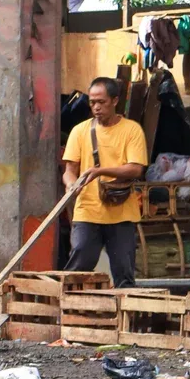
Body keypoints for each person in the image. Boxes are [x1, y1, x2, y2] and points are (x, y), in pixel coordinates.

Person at [62, 76, 148, 289]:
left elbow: (136, 168)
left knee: (124, 273)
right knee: (78, 268)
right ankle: (71, 313)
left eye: (102, 102)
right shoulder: (79, 131)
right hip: (87, 212)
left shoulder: (132, 130)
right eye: (92, 102)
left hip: (121, 214)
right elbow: (69, 171)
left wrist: (101, 171)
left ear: (115, 100)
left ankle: (126, 320)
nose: (96, 107)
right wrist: (71, 184)